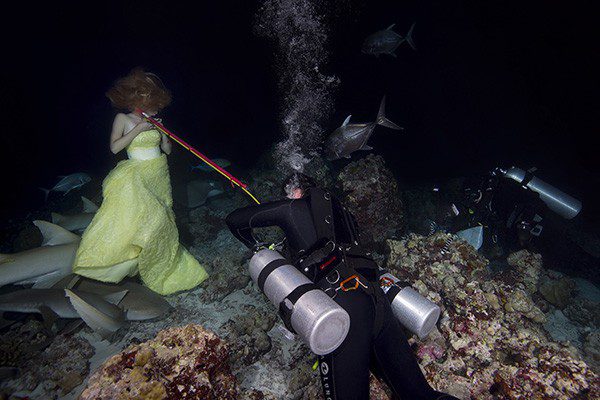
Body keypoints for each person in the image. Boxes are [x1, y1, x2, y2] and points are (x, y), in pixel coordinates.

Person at [226, 172, 459, 400]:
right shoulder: (343, 214)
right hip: (379, 302)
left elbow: (235, 220)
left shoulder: (291, 208)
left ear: (295, 192)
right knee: (422, 395)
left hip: (343, 308)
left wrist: (257, 245)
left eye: (286, 195)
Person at [72, 68, 208, 295]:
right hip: (137, 175)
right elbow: (115, 148)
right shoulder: (123, 119)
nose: (150, 100)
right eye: (145, 95)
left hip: (159, 174)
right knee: (149, 222)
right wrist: (138, 130)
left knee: (163, 220)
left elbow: (166, 151)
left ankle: (163, 268)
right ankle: (143, 269)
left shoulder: (152, 120)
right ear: (135, 96)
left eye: (151, 96)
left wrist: (164, 134)